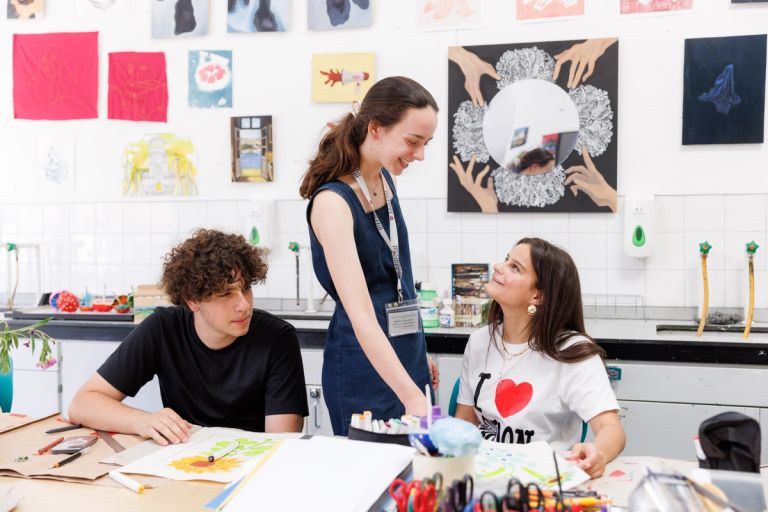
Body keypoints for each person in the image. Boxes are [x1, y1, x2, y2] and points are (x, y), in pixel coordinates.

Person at [68, 229, 308, 444]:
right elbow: (82, 404)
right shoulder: (162, 328)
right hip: (183, 461)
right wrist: (144, 422)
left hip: (251, 464)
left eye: (246, 288)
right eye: (226, 294)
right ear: (192, 300)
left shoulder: (277, 338)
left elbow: (281, 443)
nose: (244, 305)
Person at [300, 76, 439, 435]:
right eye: (413, 141)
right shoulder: (333, 203)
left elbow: (396, 281)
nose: (420, 155)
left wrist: (417, 352)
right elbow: (362, 314)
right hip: (363, 367)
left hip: (404, 359)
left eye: (426, 144)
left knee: (416, 467)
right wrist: (412, 396)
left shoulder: (384, 180)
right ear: (375, 129)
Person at [456, 238, 625, 478]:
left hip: (545, 479)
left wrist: (599, 452)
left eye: (515, 267)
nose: (498, 267)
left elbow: (611, 429)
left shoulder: (572, 352)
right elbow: (465, 422)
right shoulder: (479, 341)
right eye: (506, 259)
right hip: (485, 476)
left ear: (538, 296)